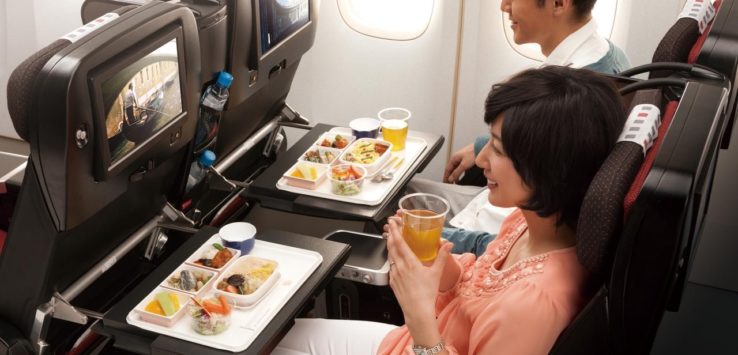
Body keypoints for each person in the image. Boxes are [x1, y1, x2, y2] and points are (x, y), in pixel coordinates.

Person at [271, 66, 627, 355]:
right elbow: (480, 286)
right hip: (410, 342)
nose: (482, 159)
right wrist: (437, 267)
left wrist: (418, 312)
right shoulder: (532, 220)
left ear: (549, 169)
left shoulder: (533, 307)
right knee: (278, 340)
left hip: (423, 340)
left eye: (499, 150)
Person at [412, 0, 631, 256]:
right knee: (402, 194)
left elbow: (520, 243)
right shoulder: (603, 57)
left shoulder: (573, 98)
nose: (504, 6)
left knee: (390, 208)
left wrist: (421, 234)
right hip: (498, 211)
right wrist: (484, 145)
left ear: (559, 4)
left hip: (495, 229)